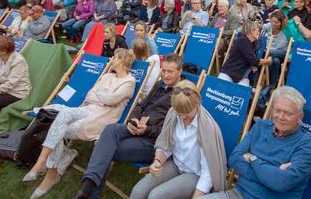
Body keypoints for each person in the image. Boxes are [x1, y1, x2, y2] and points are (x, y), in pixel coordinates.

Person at [24, 49, 136, 199]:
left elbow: (112, 100)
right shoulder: (108, 76)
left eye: (115, 57)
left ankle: (50, 173)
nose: (111, 59)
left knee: (58, 128)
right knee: (63, 115)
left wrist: (102, 97)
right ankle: (43, 163)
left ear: (122, 61)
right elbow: (90, 95)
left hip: (102, 118)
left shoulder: (129, 82)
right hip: (89, 109)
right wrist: (104, 98)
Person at [73, 54, 183, 199]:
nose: (166, 75)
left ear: (179, 72)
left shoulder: (181, 94)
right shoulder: (159, 84)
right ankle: (88, 190)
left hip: (153, 142)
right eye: (163, 71)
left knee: (103, 146)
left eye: (170, 72)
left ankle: (88, 190)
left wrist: (147, 129)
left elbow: (171, 130)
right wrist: (133, 121)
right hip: (137, 128)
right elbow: (141, 105)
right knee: (111, 129)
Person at [201, 86, 311, 199]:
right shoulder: (261, 126)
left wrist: (253, 159)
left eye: (288, 113)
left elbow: (280, 183)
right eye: (277, 110)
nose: (281, 117)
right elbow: (234, 158)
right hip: (238, 194)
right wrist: (272, 174)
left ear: (300, 117)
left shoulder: (305, 147)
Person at [129, 80, 227, 199]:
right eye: (179, 113)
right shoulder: (172, 114)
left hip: (195, 174)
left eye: (187, 114)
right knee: (138, 191)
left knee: (156, 196)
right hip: (175, 165)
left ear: (197, 104)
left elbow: (209, 174)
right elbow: (165, 143)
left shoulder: (208, 129)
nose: (182, 118)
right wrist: (157, 161)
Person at [219, 21, 272, 86]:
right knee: (221, 89)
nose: (259, 33)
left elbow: (251, 59)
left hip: (241, 76)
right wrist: (268, 60)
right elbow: (254, 60)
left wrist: (253, 66)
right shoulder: (243, 41)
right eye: (257, 30)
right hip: (229, 73)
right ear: (251, 31)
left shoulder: (253, 44)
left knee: (242, 92)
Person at [262, 11, 289, 87]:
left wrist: (268, 51)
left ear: (281, 23)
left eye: (276, 22)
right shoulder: (269, 26)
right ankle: (271, 85)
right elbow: (261, 27)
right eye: (272, 21)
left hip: (281, 52)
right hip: (268, 52)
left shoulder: (285, 32)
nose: (273, 24)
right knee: (275, 61)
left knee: (270, 54)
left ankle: (264, 82)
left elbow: (283, 50)